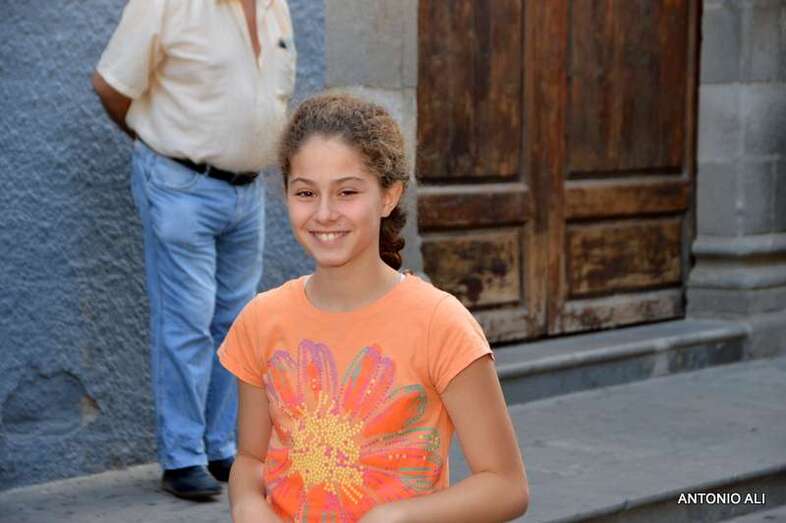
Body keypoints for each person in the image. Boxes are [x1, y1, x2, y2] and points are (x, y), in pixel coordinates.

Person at [218, 94, 529, 522]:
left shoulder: (440, 324)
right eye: (306, 192)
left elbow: (506, 486)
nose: (324, 213)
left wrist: (394, 518)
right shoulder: (260, 319)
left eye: (347, 192)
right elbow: (251, 459)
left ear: (388, 197)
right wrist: (249, 506)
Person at [91, 0, 297, 500]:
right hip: (179, 185)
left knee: (237, 323)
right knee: (187, 321)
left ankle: (219, 446)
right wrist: (159, 147)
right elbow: (110, 86)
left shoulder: (276, 6)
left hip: (247, 193)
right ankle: (182, 457)